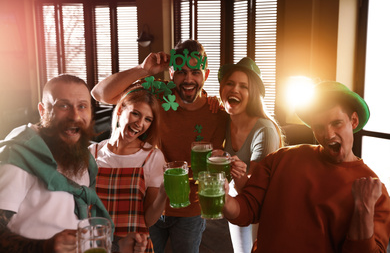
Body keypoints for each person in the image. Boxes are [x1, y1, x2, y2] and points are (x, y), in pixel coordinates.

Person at [91, 40, 243, 253]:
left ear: (205, 75)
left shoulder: (217, 111)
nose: (188, 79)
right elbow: (99, 94)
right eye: (181, 72)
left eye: (195, 72)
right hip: (148, 203)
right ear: (171, 73)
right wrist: (142, 69)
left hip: (190, 210)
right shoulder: (156, 95)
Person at [223, 81, 390, 252]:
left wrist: (363, 211)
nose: (328, 134)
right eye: (319, 127)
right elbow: (248, 209)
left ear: (353, 120)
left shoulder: (373, 191)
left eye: (336, 123)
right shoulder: (281, 159)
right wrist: (221, 197)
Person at [0, 74, 147, 253]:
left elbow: (75, 223)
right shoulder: (17, 157)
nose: (75, 115)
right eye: (63, 105)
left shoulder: (82, 157)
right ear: (43, 111)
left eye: (82, 106)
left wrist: (118, 246)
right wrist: (44, 247)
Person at [89, 82, 167, 252]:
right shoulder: (92, 153)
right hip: (96, 245)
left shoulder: (152, 157)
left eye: (148, 119)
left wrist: (163, 194)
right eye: (135, 114)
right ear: (119, 110)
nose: (140, 123)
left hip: (134, 247)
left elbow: (148, 220)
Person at [218, 57, 284, 253]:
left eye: (243, 86)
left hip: (264, 208)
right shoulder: (224, 120)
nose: (235, 89)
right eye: (230, 83)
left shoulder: (264, 130)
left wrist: (237, 175)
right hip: (237, 200)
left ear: (253, 93)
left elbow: (256, 192)